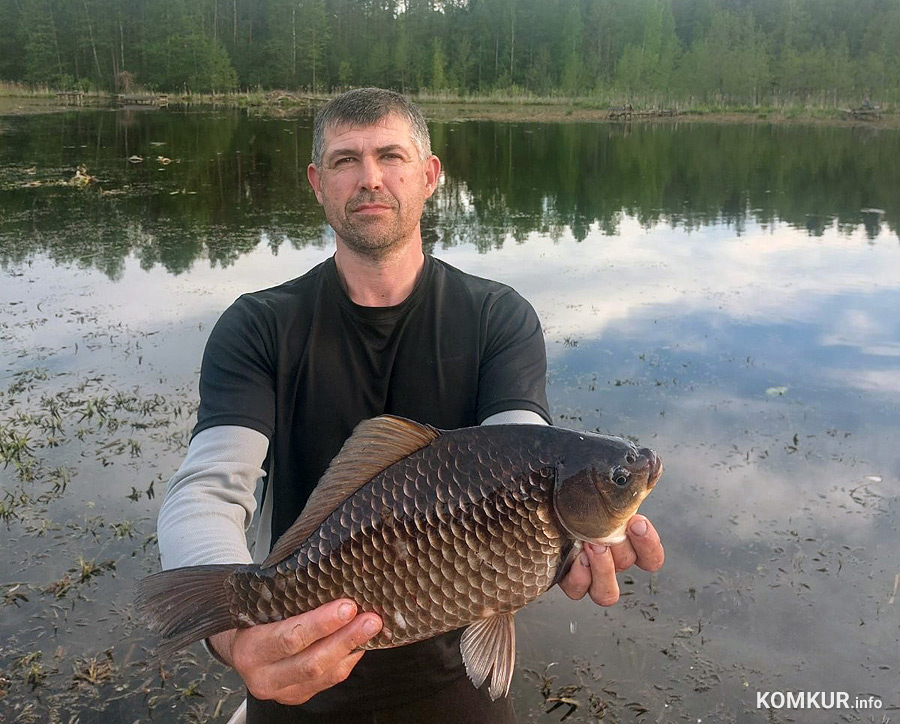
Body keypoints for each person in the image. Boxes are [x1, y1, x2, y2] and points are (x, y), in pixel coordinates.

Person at [155, 88, 664, 724]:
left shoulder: (495, 317)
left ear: (429, 178)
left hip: (460, 693)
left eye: (390, 155)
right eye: (345, 161)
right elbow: (207, 490)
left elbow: (522, 445)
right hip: (299, 684)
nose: (369, 178)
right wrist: (236, 635)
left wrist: (584, 537)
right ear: (317, 183)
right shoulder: (258, 326)